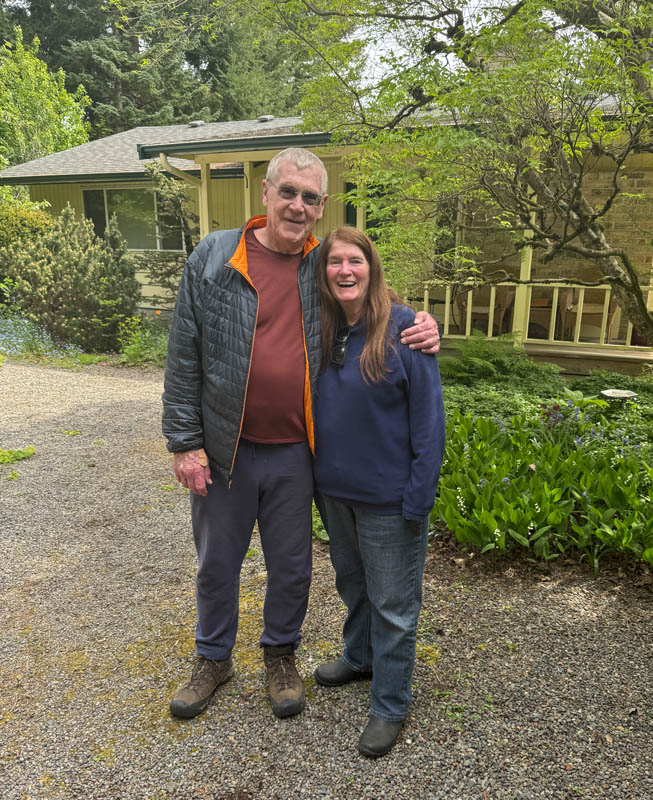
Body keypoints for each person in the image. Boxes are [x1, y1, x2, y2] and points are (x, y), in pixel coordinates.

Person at [162, 148, 440, 722]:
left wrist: (425, 324)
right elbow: (183, 355)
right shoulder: (216, 256)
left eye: (310, 197)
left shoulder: (322, 266)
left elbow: (370, 301)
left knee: (292, 567)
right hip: (224, 450)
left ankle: (280, 655)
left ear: (320, 207)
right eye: (287, 191)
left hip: (296, 453)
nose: (297, 205)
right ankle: (212, 659)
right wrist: (183, 441)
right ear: (264, 194)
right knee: (217, 563)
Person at [312, 227, 445, 757]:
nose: (345, 270)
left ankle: (391, 703)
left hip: (390, 499)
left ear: (372, 267)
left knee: (394, 603)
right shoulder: (321, 330)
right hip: (335, 494)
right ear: (323, 274)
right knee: (354, 584)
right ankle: (360, 656)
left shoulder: (407, 328)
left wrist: (420, 495)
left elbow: (429, 422)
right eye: (334, 262)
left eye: (355, 261)